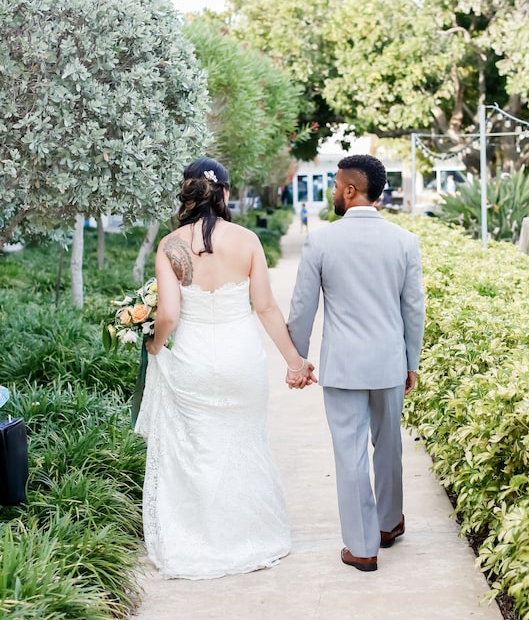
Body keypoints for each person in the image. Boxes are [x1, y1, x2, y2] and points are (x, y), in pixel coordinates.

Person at [135, 157, 316, 579]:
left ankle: (202, 538)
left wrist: (156, 346)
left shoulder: (171, 246)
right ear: (225, 193)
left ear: (187, 194)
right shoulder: (247, 240)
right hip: (241, 359)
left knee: (197, 449)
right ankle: (250, 535)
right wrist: (295, 362)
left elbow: (168, 316)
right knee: (244, 444)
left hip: (193, 361)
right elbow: (267, 307)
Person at [287, 154, 425, 573]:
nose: (332, 192)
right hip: (388, 362)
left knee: (350, 454)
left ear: (350, 190)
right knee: (389, 445)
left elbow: (302, 307)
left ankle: (363, 547)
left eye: (334, 185)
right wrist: (411, 362)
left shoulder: (322, 241)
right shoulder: (405, 241)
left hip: (343, 366)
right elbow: (413, 310)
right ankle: (389, 524)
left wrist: (298, 358)